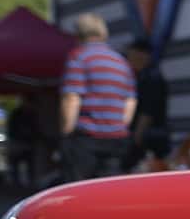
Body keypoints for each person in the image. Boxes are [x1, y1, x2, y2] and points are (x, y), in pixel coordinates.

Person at [59, 13, 137, 181]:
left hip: (87, 138)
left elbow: (72, 98)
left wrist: (66, 132)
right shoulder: (120, 61)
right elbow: (130, 100)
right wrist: (119, 125)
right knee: (111, 189)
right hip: (117, 138)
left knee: (79, 190)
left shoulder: (79, 57)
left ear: (78, 35)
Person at [124, 35, 171, 165]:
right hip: (151, 136)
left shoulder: (150, 79)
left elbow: (147, 113)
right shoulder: (146, 76)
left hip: (150, 139)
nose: (130, 61)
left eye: (132, 57)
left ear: (143, 56)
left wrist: (135, 141)